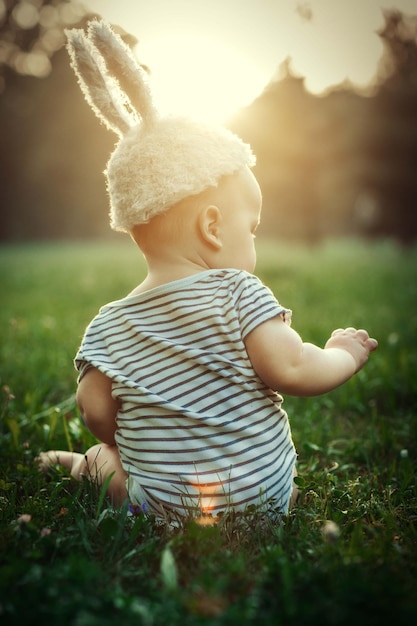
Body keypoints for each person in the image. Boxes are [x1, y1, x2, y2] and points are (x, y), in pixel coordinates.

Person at [38, 21, 378, 521]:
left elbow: (95, 412)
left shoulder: (108, 326)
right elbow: (294, 369)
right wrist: (341, 354)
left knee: (107, 460)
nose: (255, 240)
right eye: (253, 227)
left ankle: (82, 467)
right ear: (213, 227)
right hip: (263, 498)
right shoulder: (239, 292)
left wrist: (139, 438)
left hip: (162, 510)